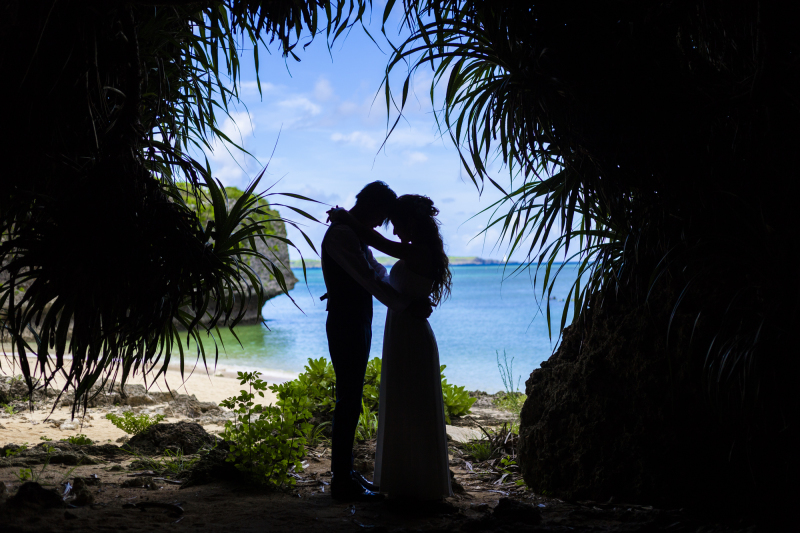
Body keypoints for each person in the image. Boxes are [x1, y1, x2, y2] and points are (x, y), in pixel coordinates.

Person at [328, 194, 453, 500]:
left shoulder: (417, 251)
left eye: (396, 223)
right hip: (402, 330)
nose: (393, 230)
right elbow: (376, 272)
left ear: (411, 222)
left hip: (410, 332)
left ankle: (413, 483)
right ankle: (403, 479)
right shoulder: (415, 250)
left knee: (410, 403)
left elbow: (378, 246)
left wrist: (346, 217)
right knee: (403, 402)